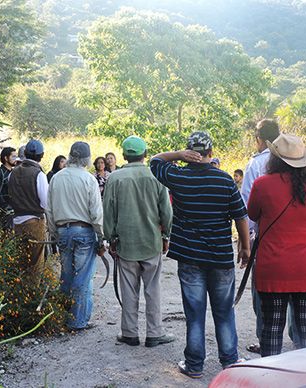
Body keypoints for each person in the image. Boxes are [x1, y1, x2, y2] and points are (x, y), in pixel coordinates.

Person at [150, 131, 250, 379]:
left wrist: (177, 155)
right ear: (211, 153)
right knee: (224, 311)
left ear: (188, 154)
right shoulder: (225, 180)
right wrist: (245, 247)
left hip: (190, 258)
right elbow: (240, 216)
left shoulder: (179, 176)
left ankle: (194, 364)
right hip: (220, 257)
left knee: (194, 313)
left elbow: (154, 161)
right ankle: (230, 361)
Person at [247, 133, 306, 357]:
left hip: (274, 267)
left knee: (271, 330)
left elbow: (252, 214)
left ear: (274, 159)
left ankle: (271, 379)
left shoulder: (262, 184)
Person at [103, 136, 175, 348]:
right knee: (152, 289)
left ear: (124, 155)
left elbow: (108, 213)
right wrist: (165, 236)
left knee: (128, 289)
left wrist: (111, 238)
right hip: (151, 241)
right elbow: (167, 212)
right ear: (145, 155)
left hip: (126, 243)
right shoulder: (156, 175)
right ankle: (154, 334)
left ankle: (129, 333)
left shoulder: (115, 178)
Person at [46, 141, 106, 330]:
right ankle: (77, 321)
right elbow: (96, 212)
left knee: (66, 276)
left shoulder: (57, 178)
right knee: (83, 277)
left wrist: (55, 233)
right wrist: (101, 237)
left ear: (70, 156)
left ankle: (62, 317)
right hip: (84, 232)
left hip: (63, 231)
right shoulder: (88, 179)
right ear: (87, 159)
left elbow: (49, 209)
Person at [239, 118, 282, 354]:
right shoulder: (294, 161)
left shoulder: (255, 164)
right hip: (295, 234)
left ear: (259, 140)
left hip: (265, 235)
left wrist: (246, 243)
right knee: (296, 292)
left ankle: (265, 339)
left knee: (262, 291)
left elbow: (247, 207)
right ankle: (297, 337)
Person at [8, 139, 48, 279]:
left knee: (21, 262)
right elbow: (45, 203)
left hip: (17, 222)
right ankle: (33, 295)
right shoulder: (39, 174)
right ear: (41, 155)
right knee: (35, 264)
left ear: (24, 153)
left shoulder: (12, 173)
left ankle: (19, 294)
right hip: (34, 222)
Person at [0, 147, 17, 231]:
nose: (15, 159)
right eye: (13, 157)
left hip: (17, 211)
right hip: (6, 213)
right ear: (6, 158)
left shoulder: (15, 173)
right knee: (8, 238)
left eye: (16, 156)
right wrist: (6, 209)